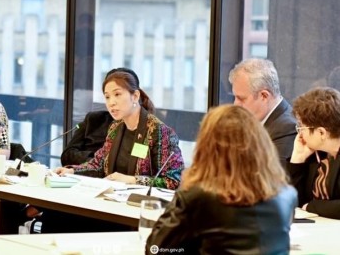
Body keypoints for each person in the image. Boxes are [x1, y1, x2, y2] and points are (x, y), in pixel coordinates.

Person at [146, 105, 297, 254]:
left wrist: (185, 188)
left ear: (207, 147)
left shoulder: (197, 198)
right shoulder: (287, 195)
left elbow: (155, 249)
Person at [55, 68, 184, 190]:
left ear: (135, 96)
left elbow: (173, 181)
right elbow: (99, 164)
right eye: (107, 97)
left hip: (142, 206)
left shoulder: (160, 132)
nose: (111, 102)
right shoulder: (115, 128)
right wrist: (71, 171)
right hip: (112, 199)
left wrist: (131, 180)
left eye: (117, 94)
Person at [229, 58, 297, 167]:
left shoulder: (288, 128)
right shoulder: (257, 122)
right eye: (235, 97)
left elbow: (269, 179)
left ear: (264, 96)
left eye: (241, 98)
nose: (235, 104)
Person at [288, 87, 340, 219]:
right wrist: (297, 159)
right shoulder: (317, 155)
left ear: (321, 133)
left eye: (302, 127)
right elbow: (290, 200)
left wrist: (311, 207)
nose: (299, 133)